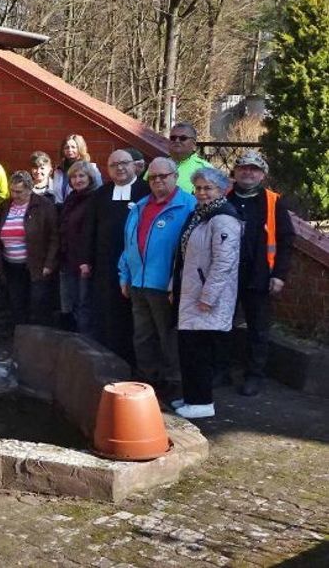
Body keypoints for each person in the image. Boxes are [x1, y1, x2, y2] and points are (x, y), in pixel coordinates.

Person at [118, 156, 196, 404]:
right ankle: (148, 383)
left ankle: (174, 386)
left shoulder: (189, 206)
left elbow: (190, 251)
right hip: (139, 283)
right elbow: (128, 244)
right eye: (153, 177)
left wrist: (178, 282)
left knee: (168, 337)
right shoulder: (140, 206)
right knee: (142, 336)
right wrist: (125, 275)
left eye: (163, 176)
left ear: (175, 176)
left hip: (166, 286)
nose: (158, 181)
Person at [172, 168, 241, 419]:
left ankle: (202, 402)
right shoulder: (199, 215)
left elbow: (224, 262)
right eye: (198, 188)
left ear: (222, 190)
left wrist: (207, 297)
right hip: (191, 292)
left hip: (205, 298)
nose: (202, 193)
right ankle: (191, 397)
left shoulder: (223, 219)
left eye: (208, 188)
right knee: (188, 349)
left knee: (199, 352)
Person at [226, 151, 295, 397]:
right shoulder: (223, 197)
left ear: (262, 174)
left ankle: (254, 376)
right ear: (235, 172)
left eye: (254, 169)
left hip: (259, 275)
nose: (248, 172)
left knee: (258, 329)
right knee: (222, 326)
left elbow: (286, 241)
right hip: (225, 276)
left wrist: (279, 275)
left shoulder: (274, 202)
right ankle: (221, 371)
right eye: (243, 167)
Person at [86, 149, 150, 363]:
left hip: (138, 266)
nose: (120, 168)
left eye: (124, 163)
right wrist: (87, 260)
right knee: (107, 313)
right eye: (114, 165)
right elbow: (90, 229)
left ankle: (135, 364)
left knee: (135, 318)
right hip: (105, 265)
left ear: (135, 166)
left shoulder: (146, 192)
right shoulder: (101, 194)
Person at [0, 170, 59, 327]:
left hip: (36, 265)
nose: (15, 195)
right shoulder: (5, 206)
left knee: (37, 304)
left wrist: (49, 264)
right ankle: (19, 337)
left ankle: (38, 339)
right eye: (12, 191)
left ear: (30, 189)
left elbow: (54, 237)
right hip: (11, 265)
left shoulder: (44, 206)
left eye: (19, 192)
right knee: (16, 304)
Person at [57, 160, 97, 334]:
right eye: (73, 176)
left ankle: (85, 342)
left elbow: (92, 232)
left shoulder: (95, 198)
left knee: (84, 304)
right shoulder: (72, 197)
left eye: (81, 175)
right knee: (68, 302)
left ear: (90, 177)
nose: (77, 180)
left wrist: (86, 260)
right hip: (67, 258)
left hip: (84, 262)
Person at [50, 134, 102, 202]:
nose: (69, 150)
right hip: (60, 209)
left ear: (80, 148)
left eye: (73, 147)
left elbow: (98, 191)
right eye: (66, 147)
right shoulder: (58, 171)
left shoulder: (92, 169)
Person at [168, 122, 209, 192]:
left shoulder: (205, 169)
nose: (177, 141)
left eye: (183, 138)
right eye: (173, 138)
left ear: (194, 144)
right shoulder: (158, 165)